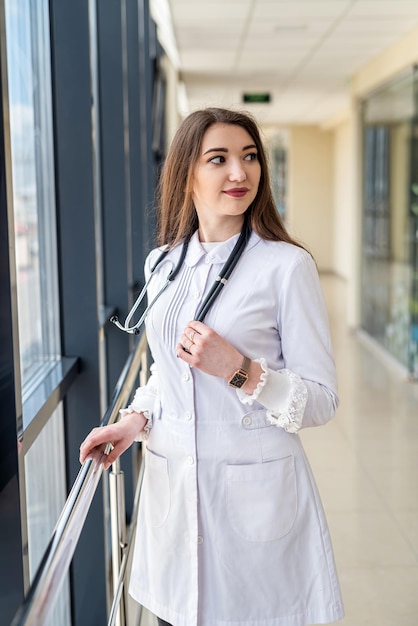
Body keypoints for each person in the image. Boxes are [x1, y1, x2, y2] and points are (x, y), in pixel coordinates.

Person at [80, 107, 344, 626]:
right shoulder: (164, 264)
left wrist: (240, 369)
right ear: (186, 174)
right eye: (218, 159)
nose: (239, 173)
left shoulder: (286, 267)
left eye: (249, 158)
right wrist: (135, 420)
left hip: (256, 502)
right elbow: (165, 373)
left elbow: (322, 399)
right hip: (174, 497)